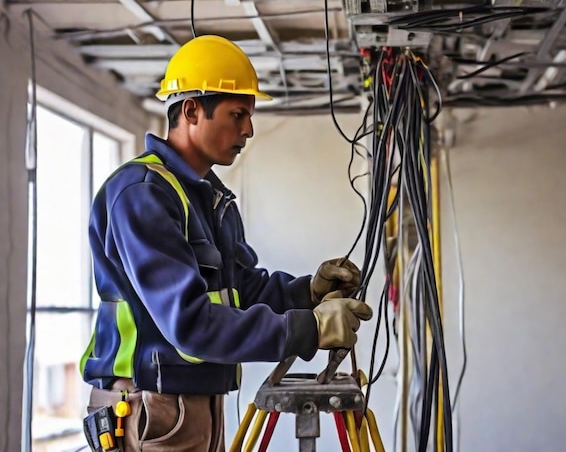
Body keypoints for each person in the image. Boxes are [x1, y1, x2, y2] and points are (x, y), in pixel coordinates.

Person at [80, 34, 373, 452]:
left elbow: (240, 289)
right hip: (150, 407)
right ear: (191, 110)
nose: (248, 130)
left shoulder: (208, 197)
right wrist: (311, 328)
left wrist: (307, 292)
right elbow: (191, 323)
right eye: (237, 114)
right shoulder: (142, 193)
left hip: (191, 404)